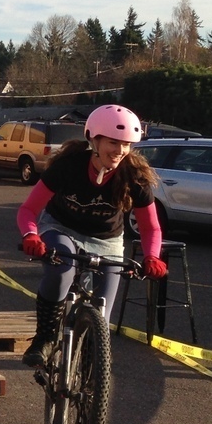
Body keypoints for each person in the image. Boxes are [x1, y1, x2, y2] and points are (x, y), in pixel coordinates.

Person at [16, 104, 168, 367]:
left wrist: (152, 256)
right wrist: (31, 235)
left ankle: (88, 377)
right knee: (62, 270)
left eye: (126, 144)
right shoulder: (68, 166)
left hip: (106, 241)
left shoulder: (134, 177)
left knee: (102, 313)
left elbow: (150, 227)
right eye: (113, 142)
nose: (120, 151)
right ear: (94, 139)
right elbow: (29, 209)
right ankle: (45, 338)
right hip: (61, 229)